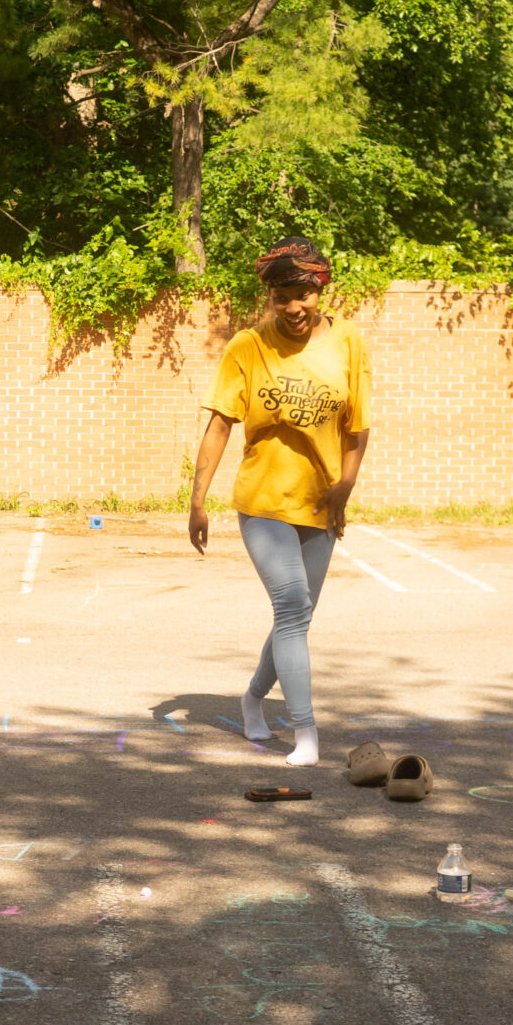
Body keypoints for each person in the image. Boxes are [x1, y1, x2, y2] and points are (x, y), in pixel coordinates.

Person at [184, 238, 371, 768]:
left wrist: (346, 487)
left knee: (299, 617)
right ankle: (306, 733)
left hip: (322, 502)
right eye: (281, 297)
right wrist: (198, 502)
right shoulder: (248, 346)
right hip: (263, 499)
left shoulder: (350, 342)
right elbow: (220, 423)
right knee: (291, 608)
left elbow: (358, 427)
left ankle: (251, 698)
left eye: (302, 295)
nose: (293, 308)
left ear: (320, 290)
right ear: (269, 297)